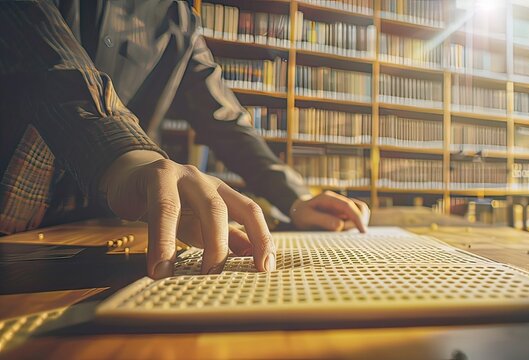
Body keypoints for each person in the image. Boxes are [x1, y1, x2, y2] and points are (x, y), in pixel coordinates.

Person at [0, 0, 369, 279]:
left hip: (107, 217)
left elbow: (224, 118)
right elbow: (49, 61)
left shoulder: (179, 17)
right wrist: (131, 157)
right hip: (15, 204)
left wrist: (295, 199)